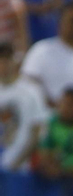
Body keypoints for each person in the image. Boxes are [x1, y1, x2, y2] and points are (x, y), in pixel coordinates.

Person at [0, 41, 49, 172]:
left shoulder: (32, 90)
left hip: (21, 167)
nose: (3, 65)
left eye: (7, 60)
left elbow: (39, 131)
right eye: (0, 60)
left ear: (14, 61)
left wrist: (16, 164)